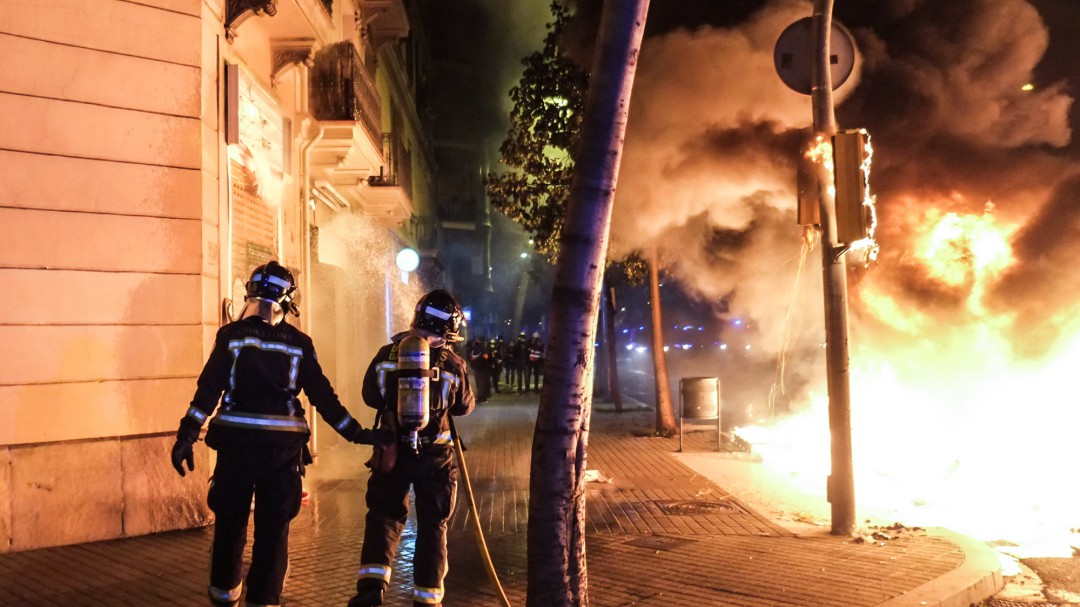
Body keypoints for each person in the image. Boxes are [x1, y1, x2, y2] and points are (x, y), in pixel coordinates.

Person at [170, 261, 387, 607]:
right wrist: (357, 434)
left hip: (236, 450)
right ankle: (264, 600)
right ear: (288, 301)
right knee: (273, 532)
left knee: (230, 526)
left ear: (250, 294)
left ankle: (224, 597)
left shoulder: (231, 336)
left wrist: (186, 435)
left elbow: (208, 390)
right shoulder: (299, 343)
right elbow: (323, 398)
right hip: (281, 454)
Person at [348, 289, 476, 607]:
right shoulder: (453, 364)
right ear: (448, 328)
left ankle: (371, 590)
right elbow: (464, 407)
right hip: (436, 458)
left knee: (383, 516)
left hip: (391, 452)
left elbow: (369, 396)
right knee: (433, 525)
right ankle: (427, 598)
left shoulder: (386, 354)